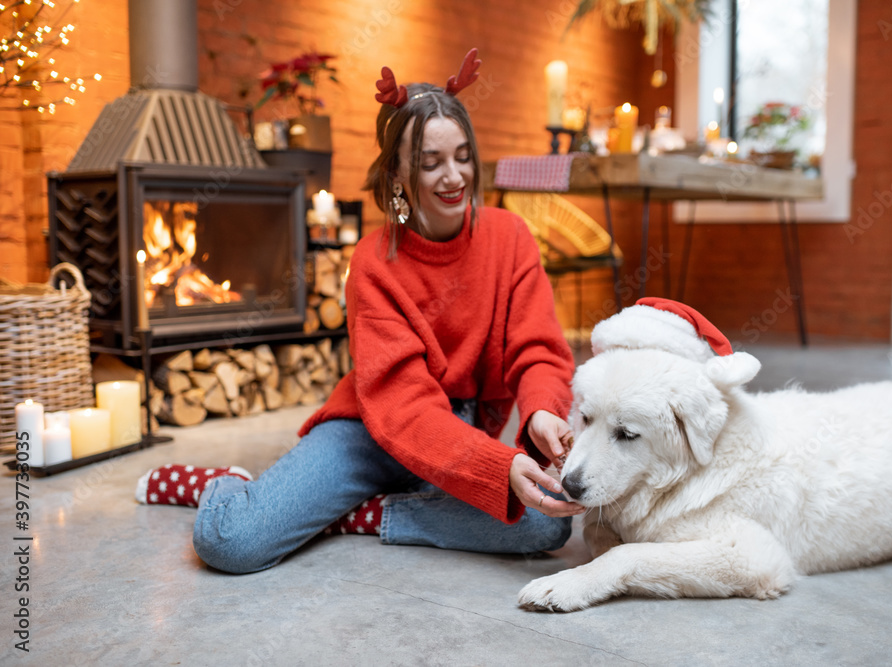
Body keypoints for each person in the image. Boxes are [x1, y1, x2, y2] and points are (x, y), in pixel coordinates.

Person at [134, 49, 585, 574]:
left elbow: (537, 349)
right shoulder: (373, 262)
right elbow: (404, 407)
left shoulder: (511, 238)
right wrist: (497, 466)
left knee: (548, 523)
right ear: (397, 172)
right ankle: (230, 484)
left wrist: (545, 410)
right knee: (231, 542)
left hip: (455, 435)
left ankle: (365, 517)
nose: (454, 177)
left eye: (463, 156)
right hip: (372, 430)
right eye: (431, 162)